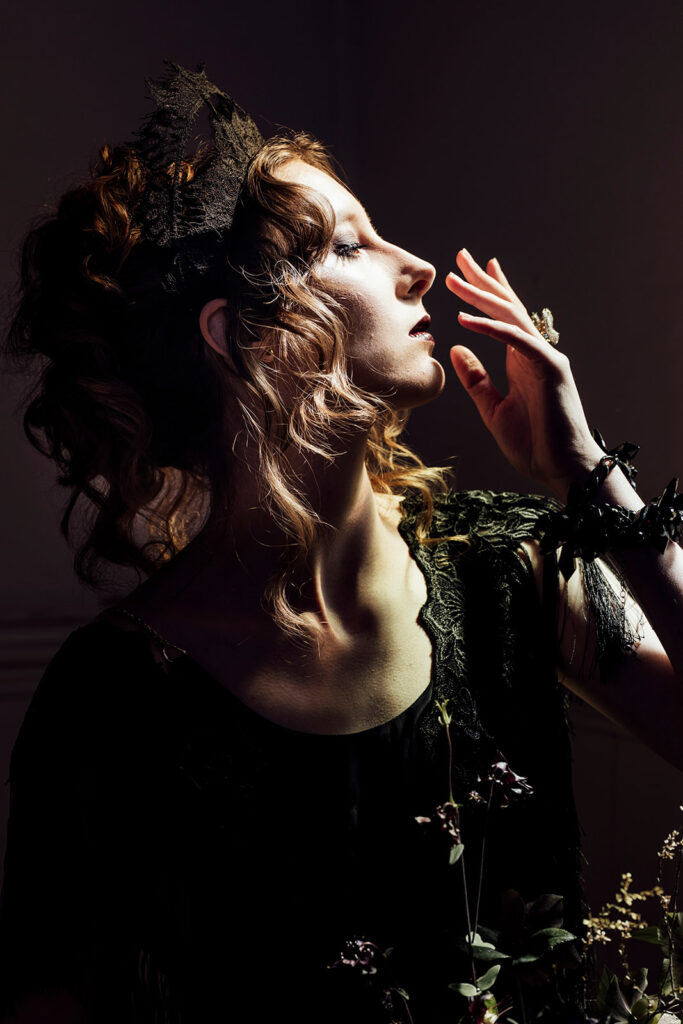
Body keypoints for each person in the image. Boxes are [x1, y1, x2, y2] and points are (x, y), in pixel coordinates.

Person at [0, 61, 681, 1024]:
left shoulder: (513, 564)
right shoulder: (113, 692)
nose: (416, 266)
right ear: (244, 336)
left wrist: (588, 478)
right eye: (348, 244)